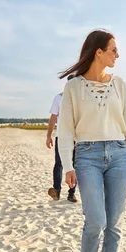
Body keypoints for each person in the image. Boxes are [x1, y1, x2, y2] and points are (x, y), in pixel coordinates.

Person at [58, 29, 126, 252]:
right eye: (113, 50)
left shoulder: (120, 84)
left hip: (120, 154)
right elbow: (66, 129)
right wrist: (67, 166)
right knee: (95, 219)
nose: (117, 55)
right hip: (87, 155)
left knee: (114, 221)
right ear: (99, 52)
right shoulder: (73, 86)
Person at [47, 74, 78, 203]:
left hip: (77, 137)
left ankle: (72, 193)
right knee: (59, 164)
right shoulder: (59, 98)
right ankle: (57, 191)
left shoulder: (79, 99)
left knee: (74, 165)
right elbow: (53, 117)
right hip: (61, 136)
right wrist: (49, 135)